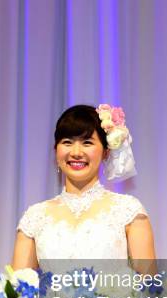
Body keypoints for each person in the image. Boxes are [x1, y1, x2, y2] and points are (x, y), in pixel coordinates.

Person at [12, 104, 155, 270]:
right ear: (56, 151)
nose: (76, 152)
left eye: (87, 142)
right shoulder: (34, 216)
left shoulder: (129, 211)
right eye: (67, 142)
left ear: (106, 152)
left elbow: (149, 287)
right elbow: (19, 289)